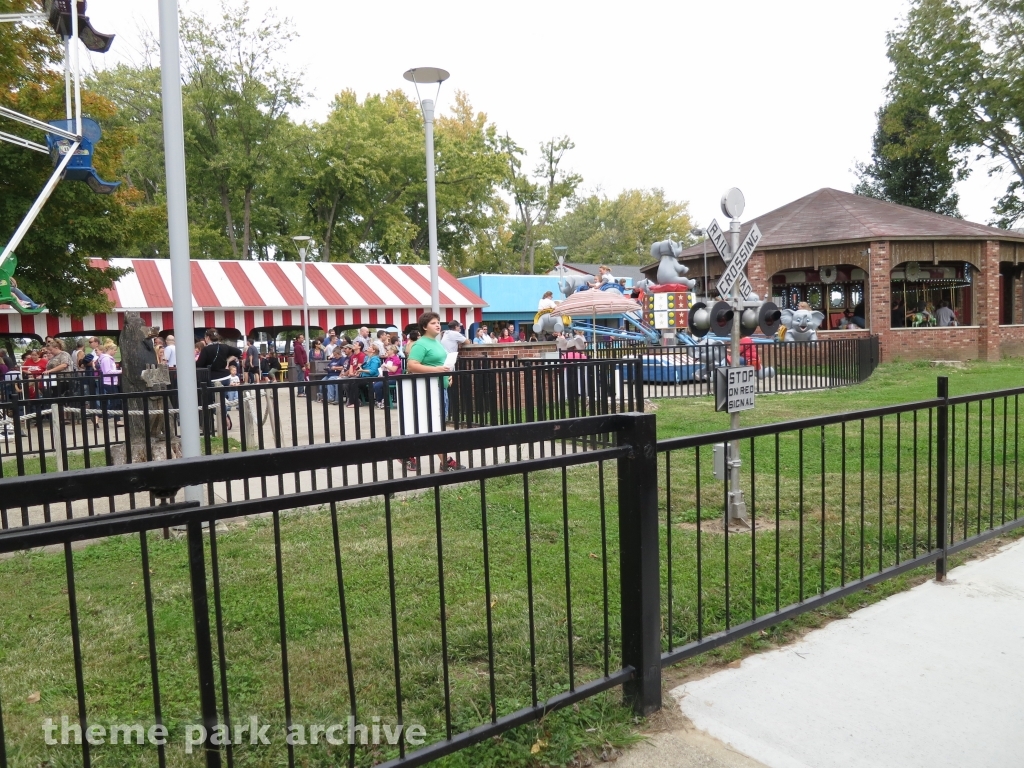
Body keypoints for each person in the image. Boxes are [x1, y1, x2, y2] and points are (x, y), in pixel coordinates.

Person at [407, 312, 464, 472]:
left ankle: (409, 453)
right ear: (424, 327)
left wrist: (448, 375)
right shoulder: (420, 344)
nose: (438, 325)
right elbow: (411, 366)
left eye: (438, 322)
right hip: (429, 390)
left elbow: (442, 363)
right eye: (433, 323)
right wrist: (436, 370)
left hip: (441, 388)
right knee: (435, 426)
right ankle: (446, 461)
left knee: (434, 426)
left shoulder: (437, 343)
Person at [374, 344, 402, 408]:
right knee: (375, 383)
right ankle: (381, 400)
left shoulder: (396, 359)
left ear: (392, 351)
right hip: (387, 377)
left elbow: (394, 370)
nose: (386, 351)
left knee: (378, 385)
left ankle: (380, 401)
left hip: (394, 378)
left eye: (387, 350)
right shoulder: (388, 359)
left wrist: (386, 366)